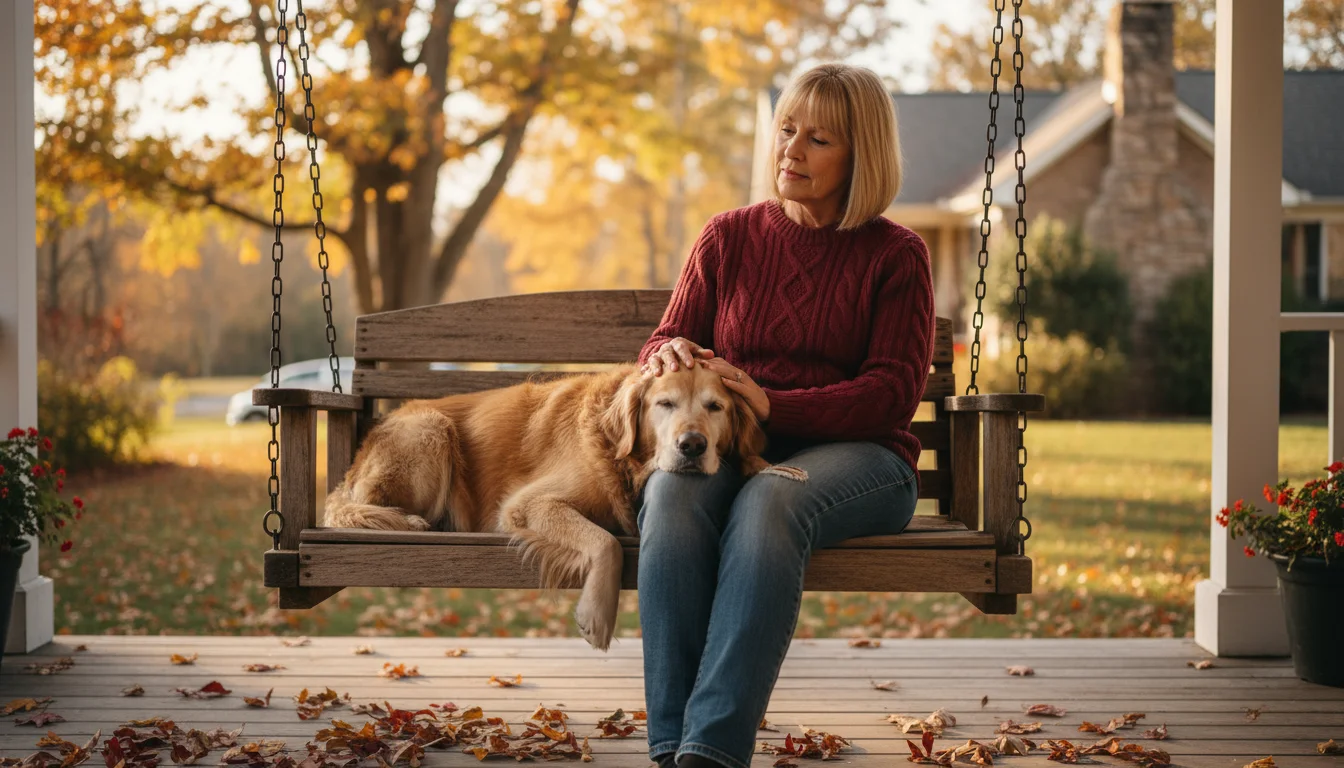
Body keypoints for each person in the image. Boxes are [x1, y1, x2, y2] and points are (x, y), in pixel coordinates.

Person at [632, 62, 937, 768]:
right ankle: (671, 746)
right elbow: (657, 345)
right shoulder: (728, 237)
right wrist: (665, 350)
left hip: (864, 461)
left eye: (818, 139)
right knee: (671, 496)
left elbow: (892, 391)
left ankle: (711, 749)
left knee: (772, 497)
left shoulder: (897, 255)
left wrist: (777, 404)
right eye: (786, 130)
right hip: (739, 451)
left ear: (861, 155)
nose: (791, 151)